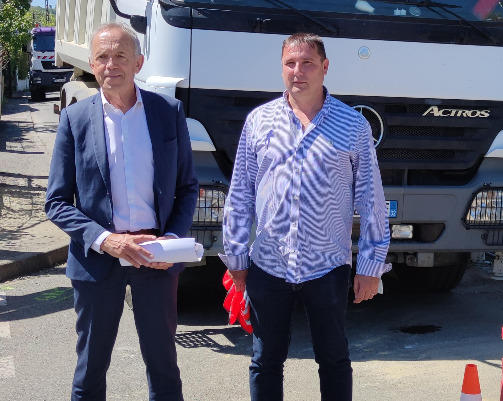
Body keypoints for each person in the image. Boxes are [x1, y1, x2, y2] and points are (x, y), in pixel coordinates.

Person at [220, 33, 391, 401]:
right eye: (290, 63)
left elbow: (371, 198)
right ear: (282, 68)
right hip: (268, 264)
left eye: (308, 63)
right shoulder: (259, 121)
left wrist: (371, 265)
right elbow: (240, 194)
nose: (298, 71)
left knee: (333, 359)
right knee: (265, 361)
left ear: (325, 67)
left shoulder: (353, 126)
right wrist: (236, 257)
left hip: (327, 266)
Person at [44, 22, 198, 401]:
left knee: (164, 368)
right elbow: (56, 202)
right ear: (92, 64)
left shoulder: (168, 112)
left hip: (155, 258)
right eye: (102, 57)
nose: (110, 65)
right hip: (97, 262)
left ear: (138, 63)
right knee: (90, 369)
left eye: (120, 56)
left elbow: (187, 187)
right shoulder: (75, 120)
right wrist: (106, 240)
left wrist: (171, 240)